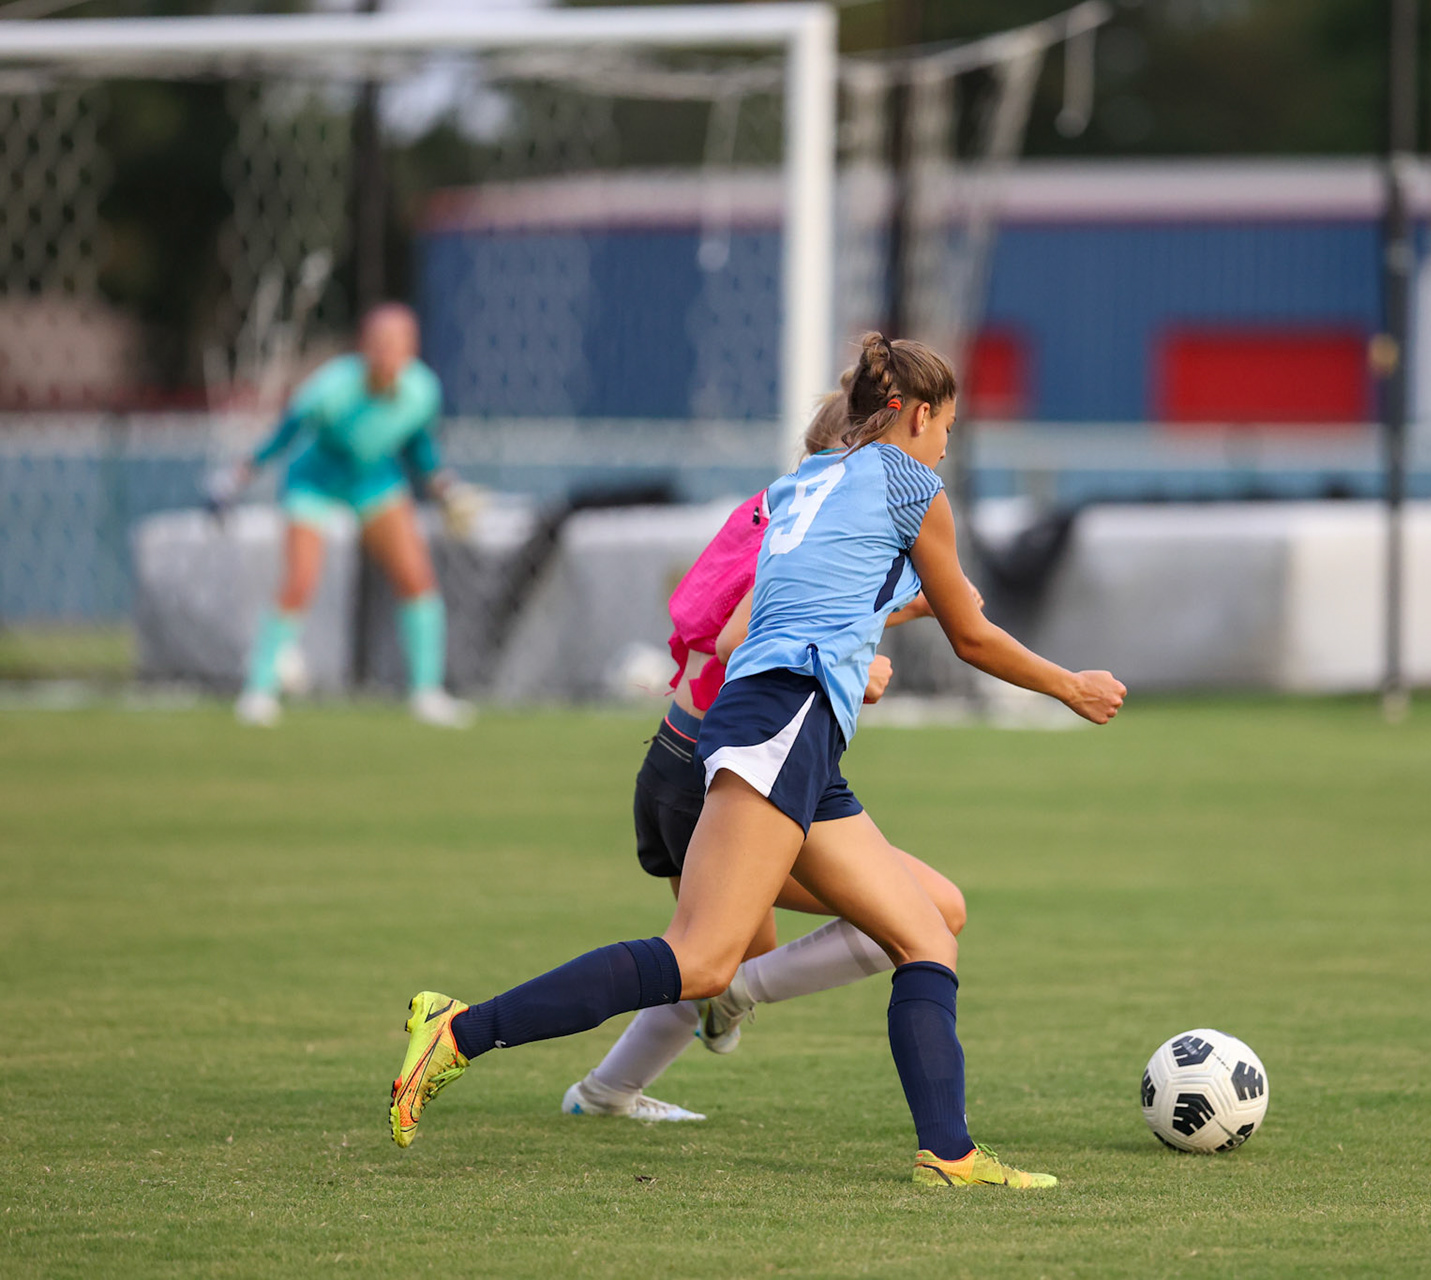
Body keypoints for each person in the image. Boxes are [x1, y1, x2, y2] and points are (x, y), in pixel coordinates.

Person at [389, 333, 1126, 1189]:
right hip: (785, 718)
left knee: (927, 926)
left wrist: (875, 626)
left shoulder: (803, 482)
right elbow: (973, 635)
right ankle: (460, 1030)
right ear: (919, 415)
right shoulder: (915, 486)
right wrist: (1067, 685)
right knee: (704, 959)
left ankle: (949, 1155)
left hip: (779, 719)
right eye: (949, 428)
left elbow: (789, 605)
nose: (946, 446)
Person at [561, 393, 969, 1125]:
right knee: (914, 916)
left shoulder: (771, 510)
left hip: (676, 756)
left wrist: (887, 619)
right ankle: (489, 1036)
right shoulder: (808, 524)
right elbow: (734, 637)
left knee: (723, 947)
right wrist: (855, 660)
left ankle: (606, 1091)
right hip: (722, 764)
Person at [220, 303, 481, 729]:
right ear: (364, 346)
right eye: (379, 344)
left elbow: (418, 446)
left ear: (412, 349)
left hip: (375, 480)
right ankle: (258, 689)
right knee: (301, 579)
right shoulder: (331, 388)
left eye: (397, 345)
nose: (387, 354)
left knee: (415, 577)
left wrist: (444, 486)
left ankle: (427, 693)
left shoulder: (421, 391)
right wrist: (240, 475)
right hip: (315, 481)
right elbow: (285, 434)